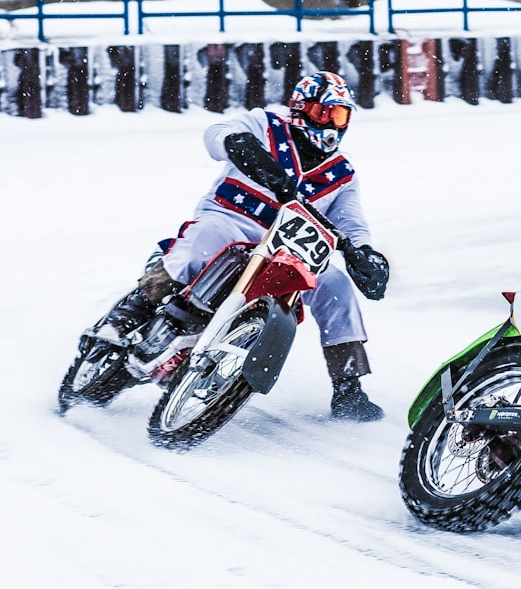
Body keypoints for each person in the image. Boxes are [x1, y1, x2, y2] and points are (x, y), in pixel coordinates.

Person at [105, 71, 390, 422]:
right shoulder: (264, 125)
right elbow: (215, 135)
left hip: (287, 248)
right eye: (324, 113)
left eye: (340, 115)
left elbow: (351, 222)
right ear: (301, 109)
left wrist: (366, 254)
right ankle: (131, 311)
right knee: (202, 244)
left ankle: (348, 386)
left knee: (335, 285)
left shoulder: (342, 174)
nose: (332, 124)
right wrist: (240, 145)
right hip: (231, 222)